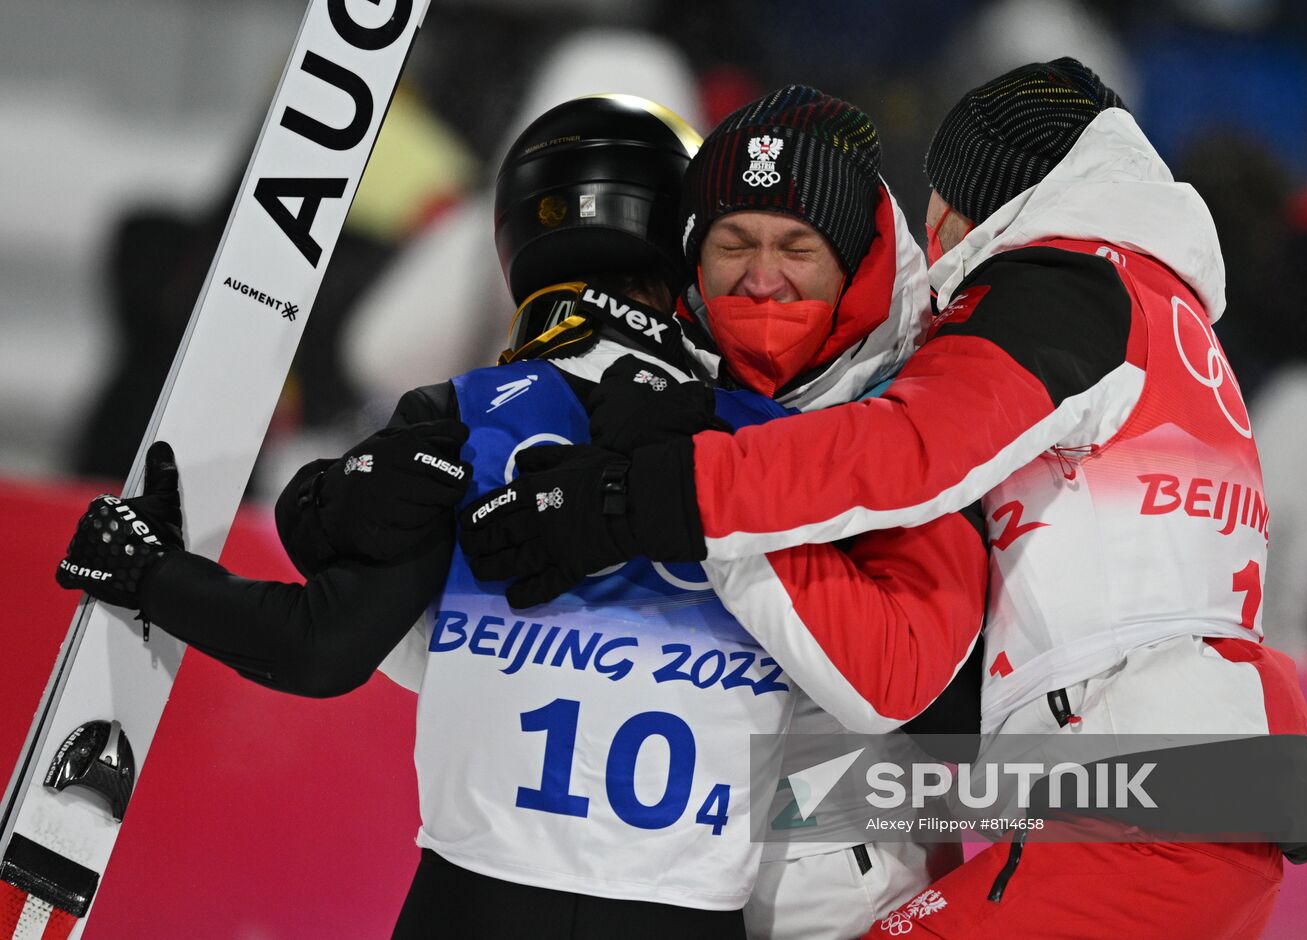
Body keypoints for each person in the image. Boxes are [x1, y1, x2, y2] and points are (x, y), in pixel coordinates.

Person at [55, 91, 978, 938]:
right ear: (688, 246)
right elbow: (958, 730)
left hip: (487, 893)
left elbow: (327, 649)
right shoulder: (798, 445)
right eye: (738, 245)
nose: (764, 282)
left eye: (795, 251)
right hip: (719, 895)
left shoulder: (472, 412)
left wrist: (151, 572)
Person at [459, 59, 1307, 939]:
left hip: (1135, 790)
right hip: (1185, 783)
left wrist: (658, 486)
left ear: (981, 204)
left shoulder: (1064, 283)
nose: (940, 256)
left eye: (942, 214)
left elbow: (906, 449)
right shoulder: (1160, 309)